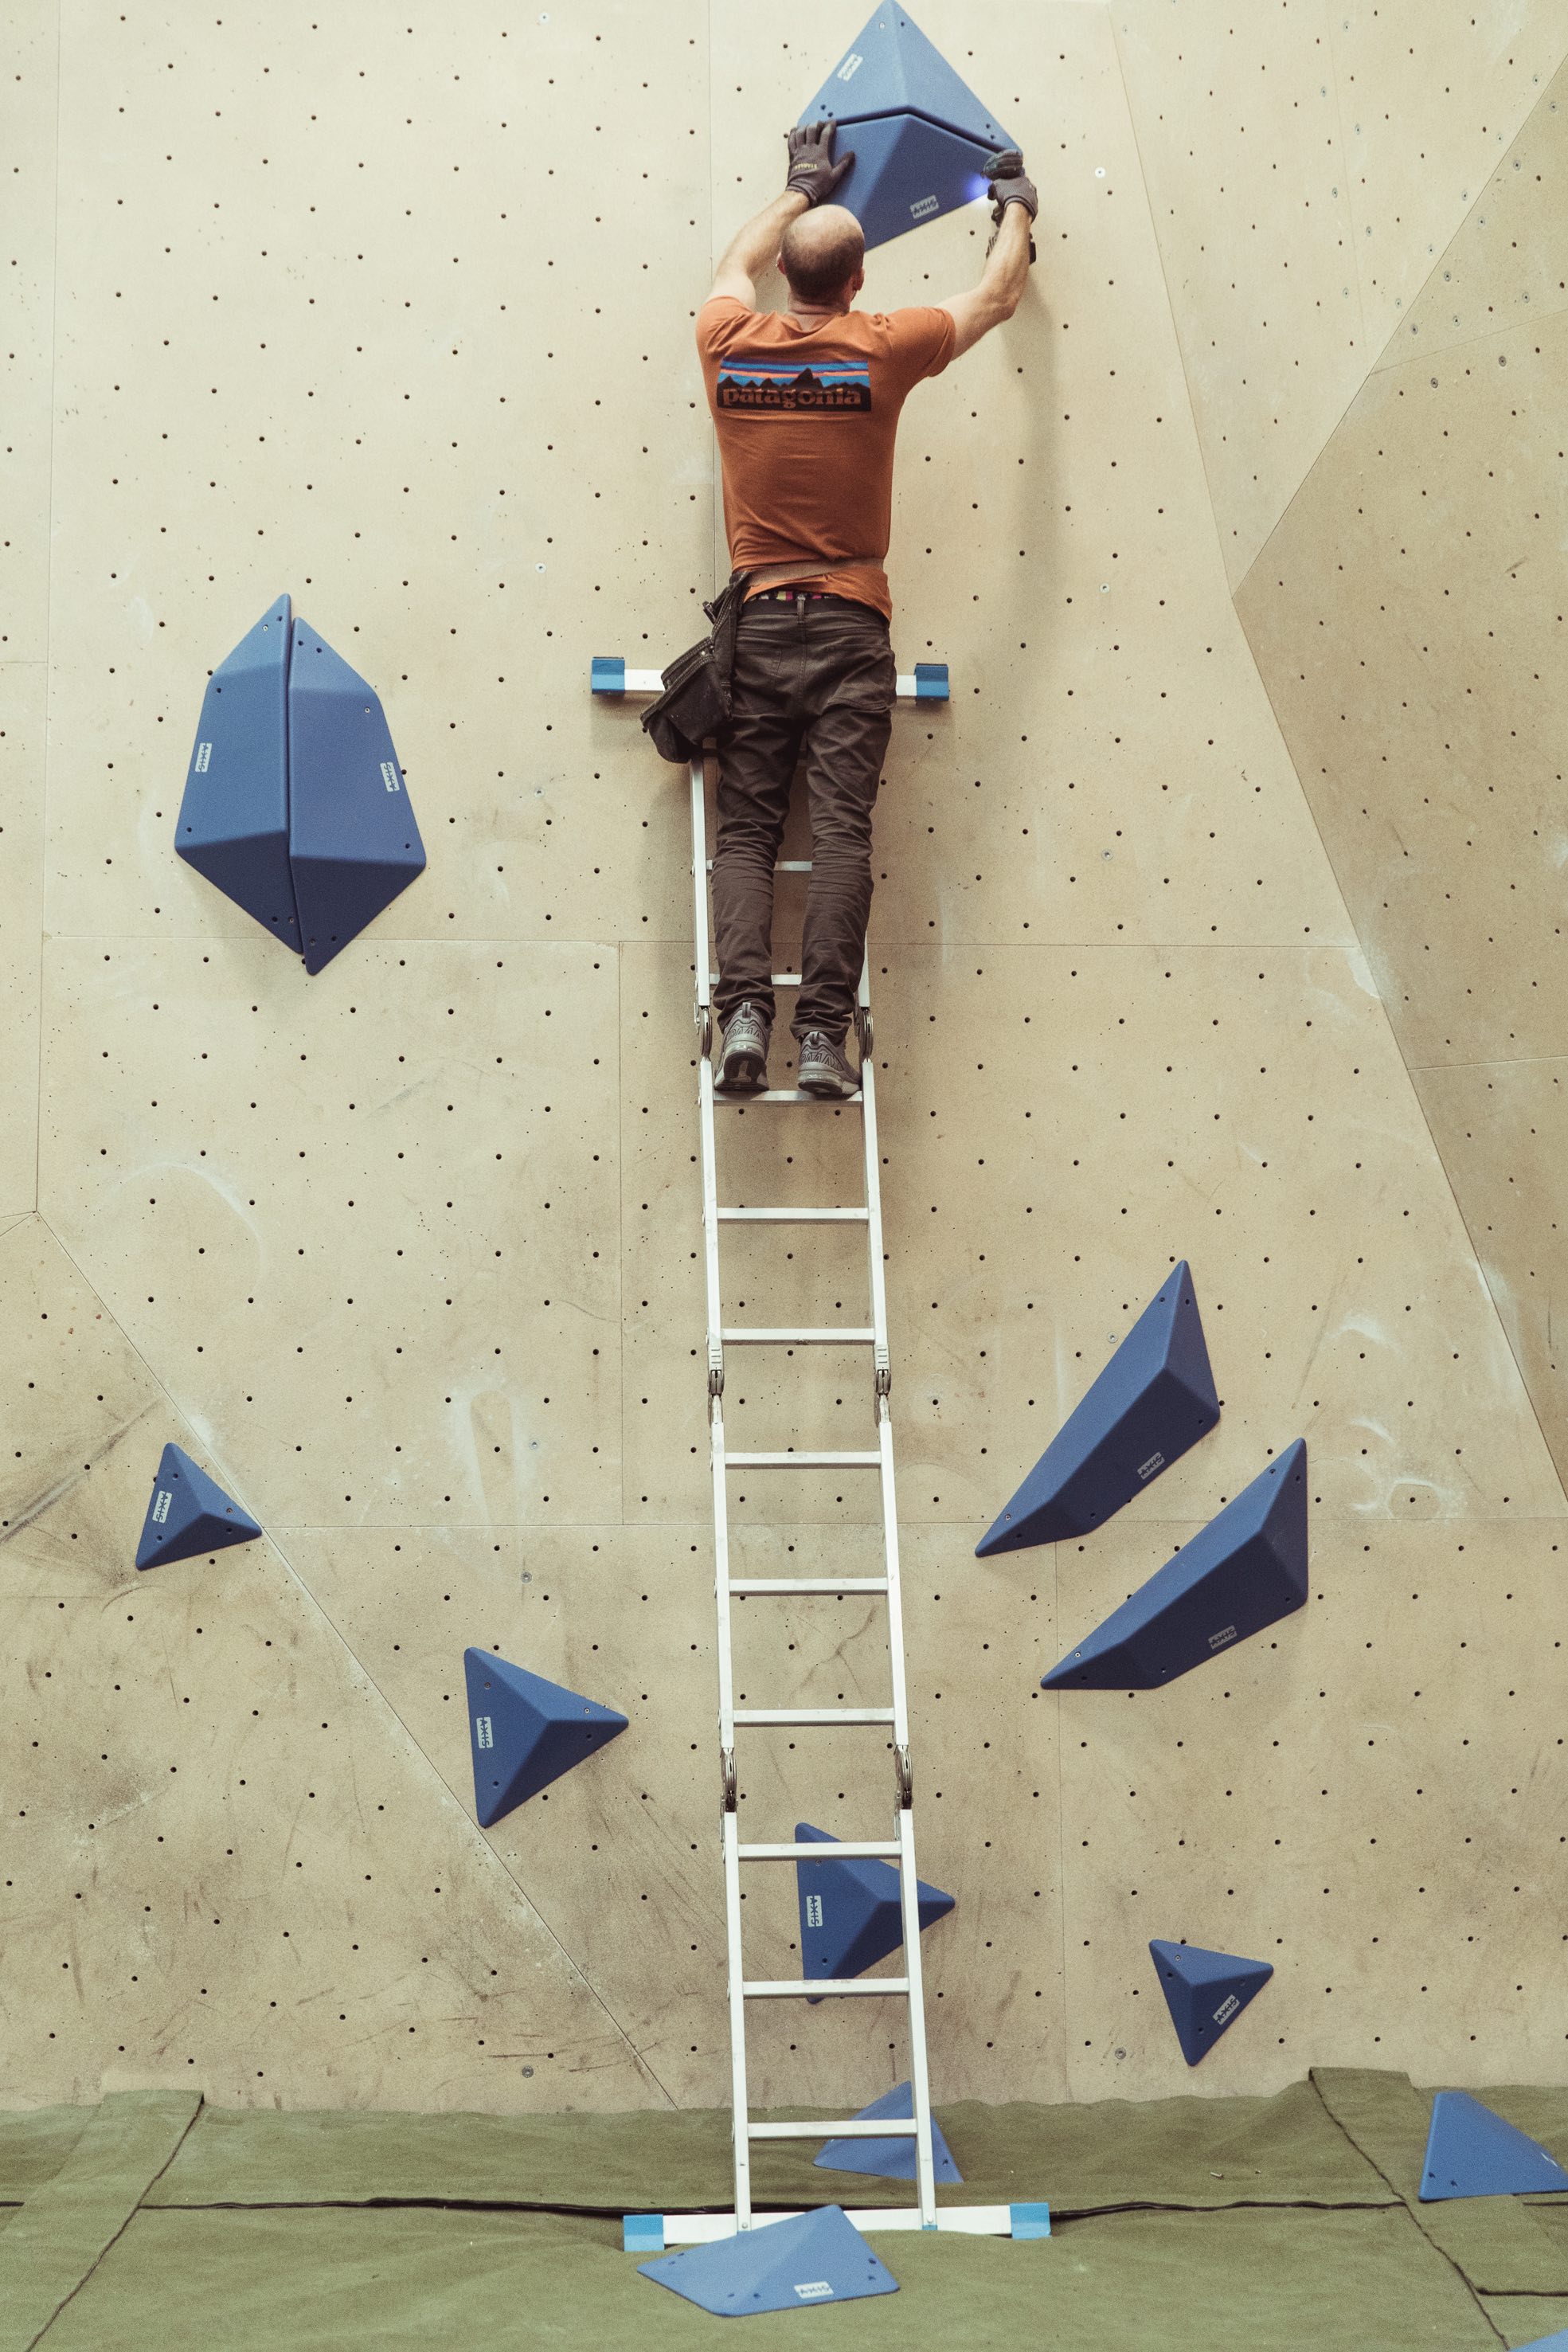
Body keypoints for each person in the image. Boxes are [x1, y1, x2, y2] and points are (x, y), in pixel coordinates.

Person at [694, 124, 1036, 1097]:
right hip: (850, 625)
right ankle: (819, 1040)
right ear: (853, 287)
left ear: (792, 282)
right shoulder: (884, 347)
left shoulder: (724, 340)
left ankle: (745, 1019)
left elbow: (732, 264)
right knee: (841, 831)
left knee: (749, 833)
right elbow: (997, 296)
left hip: (757, 624)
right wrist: (1013, 203)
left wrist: (798, 188)